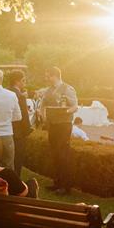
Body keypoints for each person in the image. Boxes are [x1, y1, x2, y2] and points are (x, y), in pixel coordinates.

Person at [40, 66, 78, 195]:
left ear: (54, 76)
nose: (46, 78)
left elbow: (74, 106)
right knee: (55, 153)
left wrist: (64, 111)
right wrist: (43, 115)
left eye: (47, 76)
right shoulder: (48, 90)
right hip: (53, 125)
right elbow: (43, 104)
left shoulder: (68, 88)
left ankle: (65, 185)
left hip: (64, 124)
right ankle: (57, 182)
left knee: (63, 154)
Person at [7, 70, 32, 178]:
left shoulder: (5, 93)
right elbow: (24, 117)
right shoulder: (20, 96)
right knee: (18, 159)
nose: (24, 83)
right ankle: (16, 180)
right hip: (18, 132)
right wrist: (28, 130)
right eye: (23, 80)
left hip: (6, 130)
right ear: (17, 81)